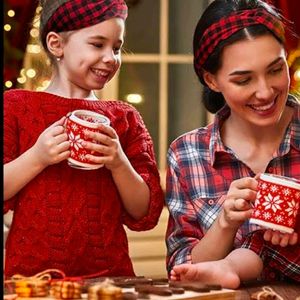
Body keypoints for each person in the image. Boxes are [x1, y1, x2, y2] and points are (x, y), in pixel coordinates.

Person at [3, 0, 164, 278]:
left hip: (110, 279)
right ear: (57, 45)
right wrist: (37, 157)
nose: (111, 58)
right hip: (32, 279)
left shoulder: (123, 118)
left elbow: (143, 211)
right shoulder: (16, 107)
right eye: (97, 44)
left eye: (116, 48)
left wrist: (118, 162)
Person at [165, 0, 300, 289]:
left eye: (276, 70)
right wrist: (225, 223)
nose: (265, 92)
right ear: (212, 80)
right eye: (243, 80)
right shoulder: (188, 154)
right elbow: (182, 275)